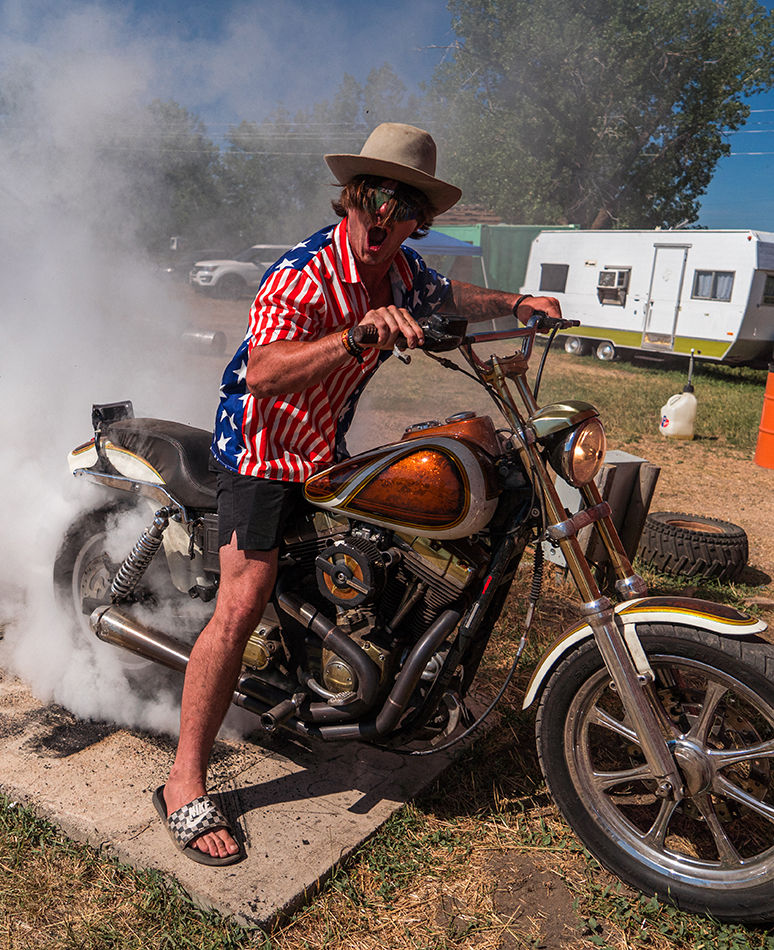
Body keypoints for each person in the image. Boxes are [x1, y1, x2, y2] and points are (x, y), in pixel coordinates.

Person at [152, 123, 562, 865]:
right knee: (243, 602)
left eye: (404, 205)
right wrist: (356, 336)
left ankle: (342, 675)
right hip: (261, 450)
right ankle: (184, 781)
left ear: (418, 222)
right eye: (373, 195)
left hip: (320, 447)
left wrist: (520, 301)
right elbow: (265, 372)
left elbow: (453, 296)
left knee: (377, 543)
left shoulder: (404, 273)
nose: (384, 214)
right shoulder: (304, 274)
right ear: (351, 197)